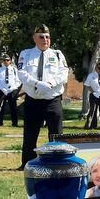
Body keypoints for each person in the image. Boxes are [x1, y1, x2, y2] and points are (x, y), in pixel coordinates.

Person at [17, 25, 69, 169]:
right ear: (34, 38)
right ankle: (27, 164)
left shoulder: (57, 54)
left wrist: (50, 83)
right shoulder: (26, 54)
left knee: (56, 134)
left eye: (47, 36)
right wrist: (37, 83)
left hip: (52, 100)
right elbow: (22, 73)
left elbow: (63, 74)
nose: (45, 39)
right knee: (30, 134)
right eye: (41, 36)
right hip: (33, 100)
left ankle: (58, 162)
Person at [0, 55, 21, 127]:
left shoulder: (14, 70)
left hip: (12, 90)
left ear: (10, 61)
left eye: (7, 60)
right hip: (2, 91)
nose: (6, 62)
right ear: (2, 61)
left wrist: (13, 88)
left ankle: (15, 123)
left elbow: (18, 81)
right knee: (0, 107)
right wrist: (2, 88)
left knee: (13, 107)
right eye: (4, 60)